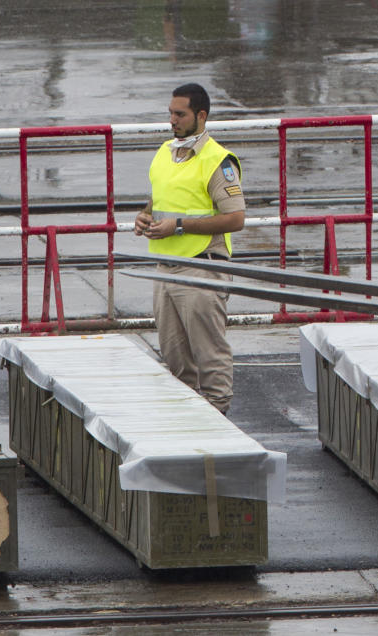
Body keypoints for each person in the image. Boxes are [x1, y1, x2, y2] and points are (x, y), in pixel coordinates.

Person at [133, 83, 245, 414]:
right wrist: (143, 217)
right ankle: (188, 429)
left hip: (202, 270)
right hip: (165, 269)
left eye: (179, 114)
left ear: (201, 116)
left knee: (210, 362)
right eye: (170, 113)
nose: (172, 120)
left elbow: (236, 218)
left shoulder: (217, 161)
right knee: (176, 364)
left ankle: (217, 433)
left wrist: (179, 225)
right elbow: (157, 202)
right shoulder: (165, 153)